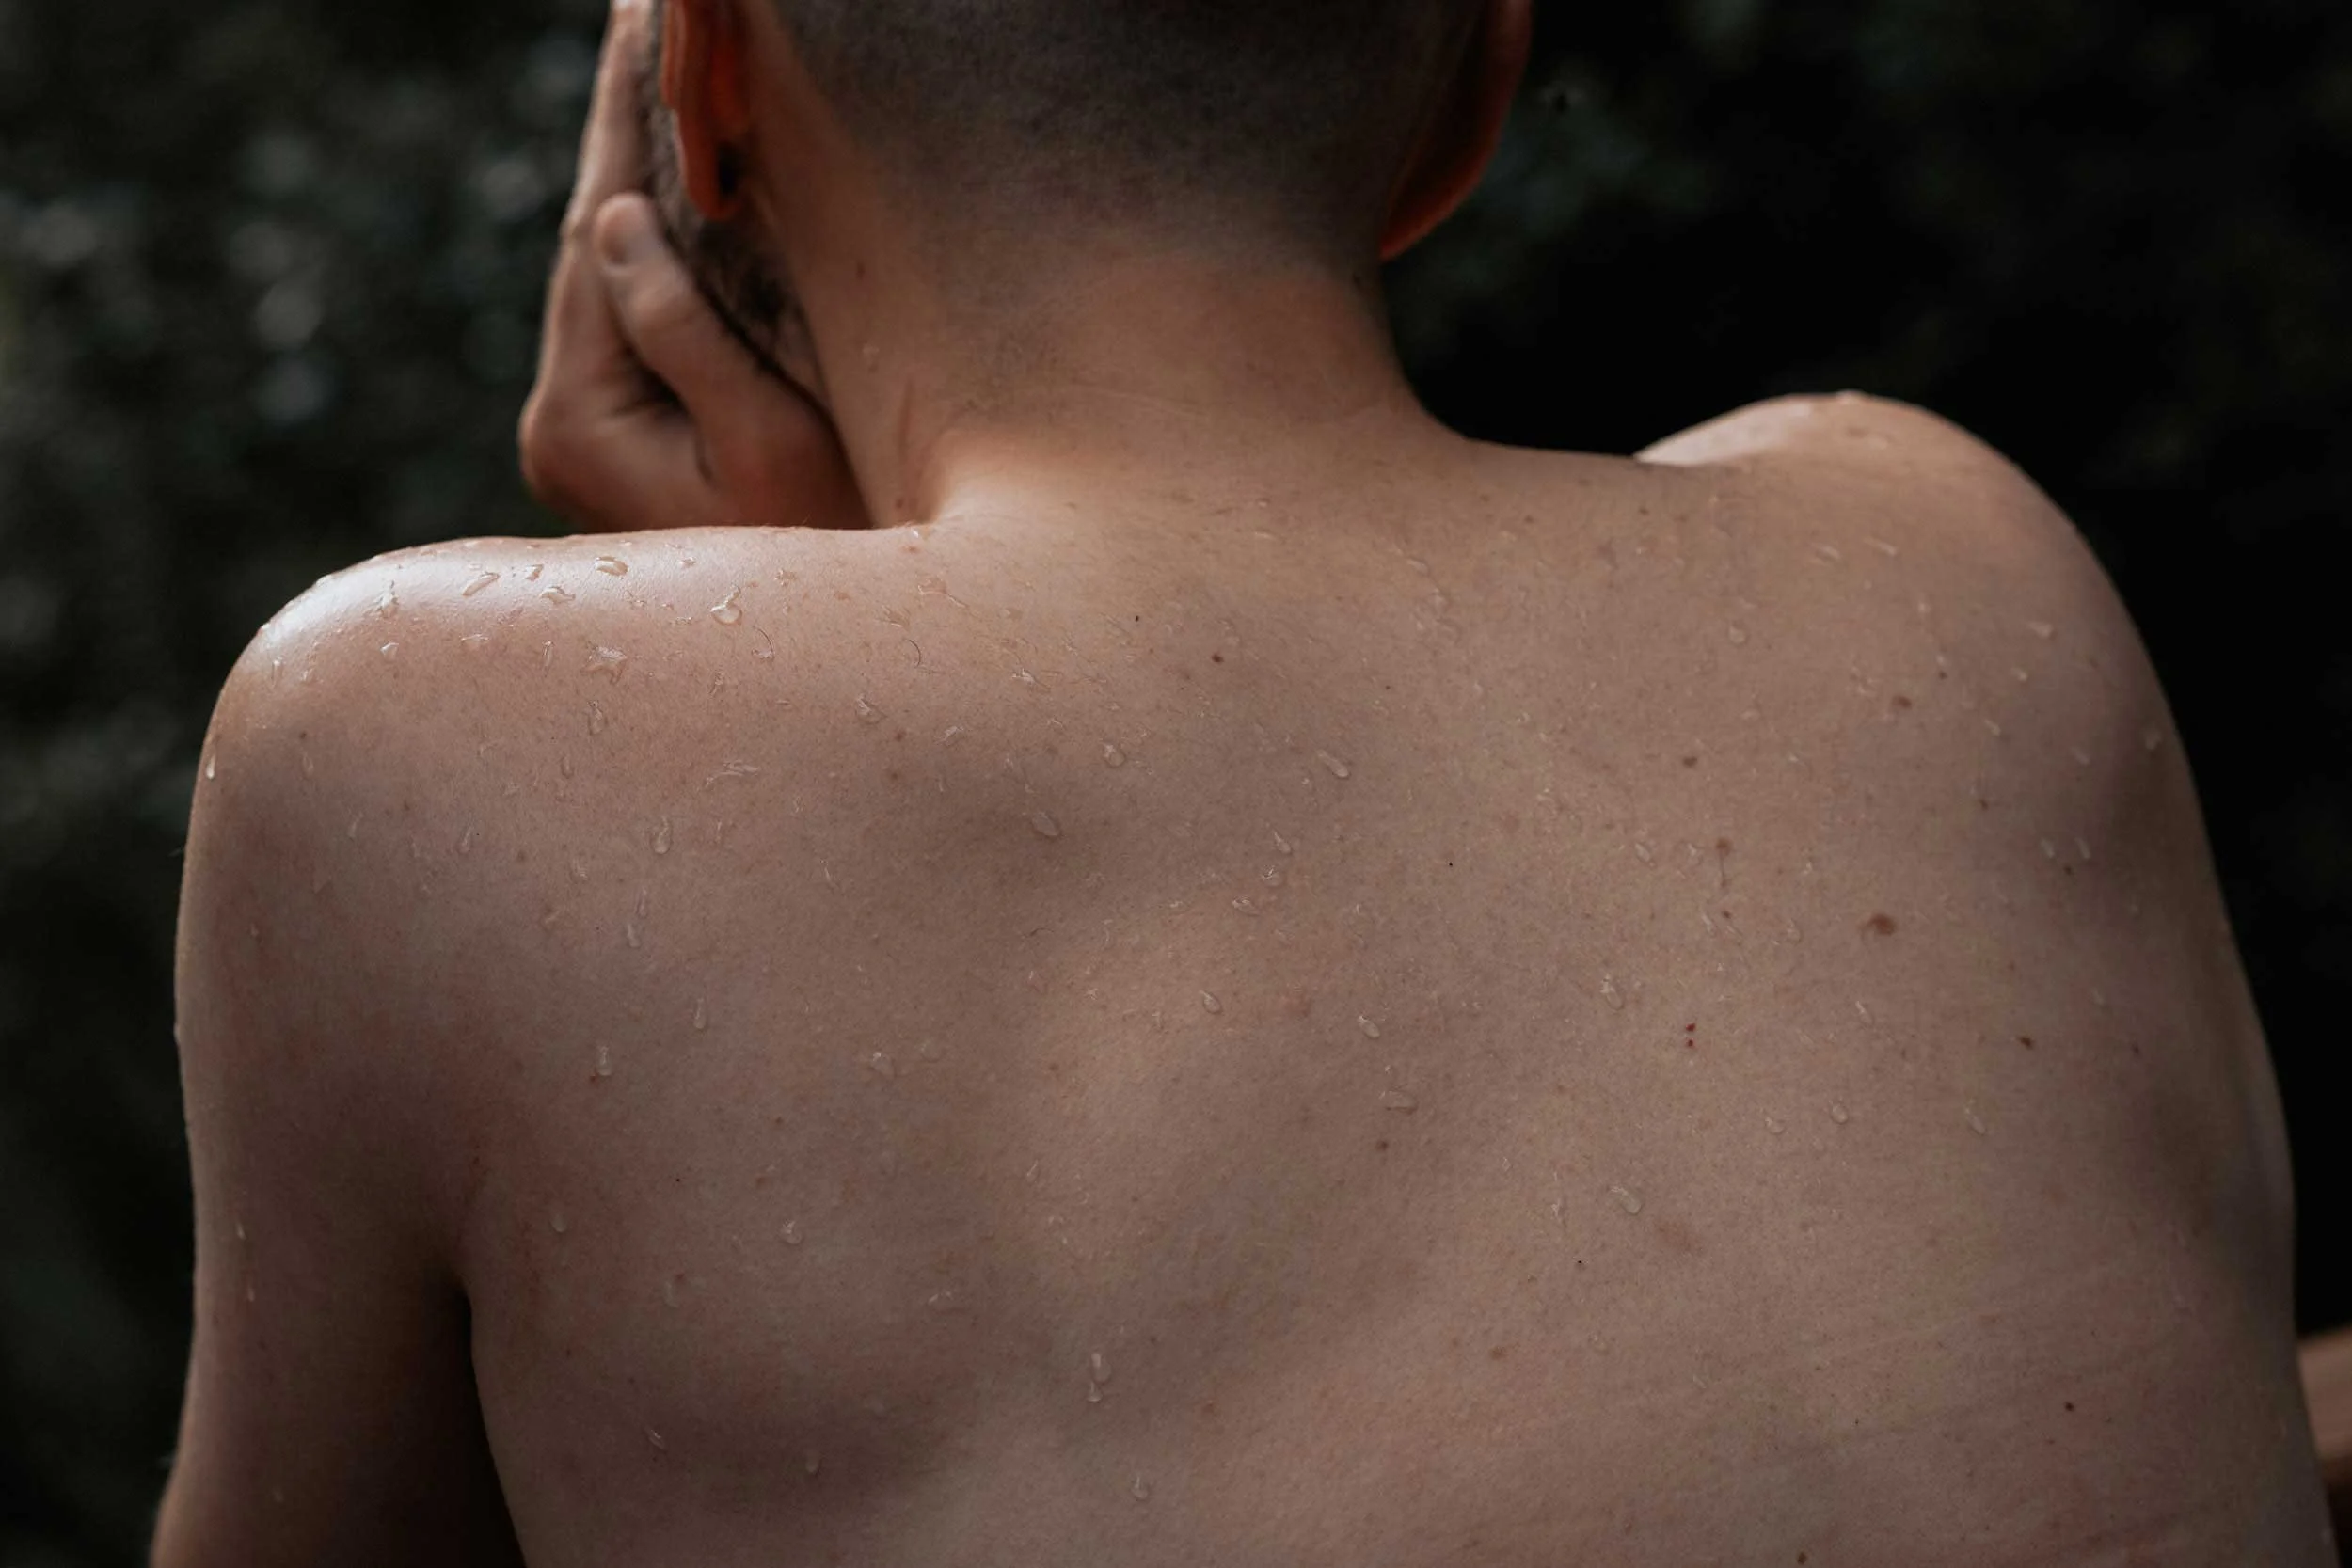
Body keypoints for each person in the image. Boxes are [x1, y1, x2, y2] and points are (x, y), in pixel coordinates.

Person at [151, 0, 2339, 1560]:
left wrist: (807, 639)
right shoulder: (1953, 567)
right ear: (1471, 91)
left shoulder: (407, 740)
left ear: (706, 91)